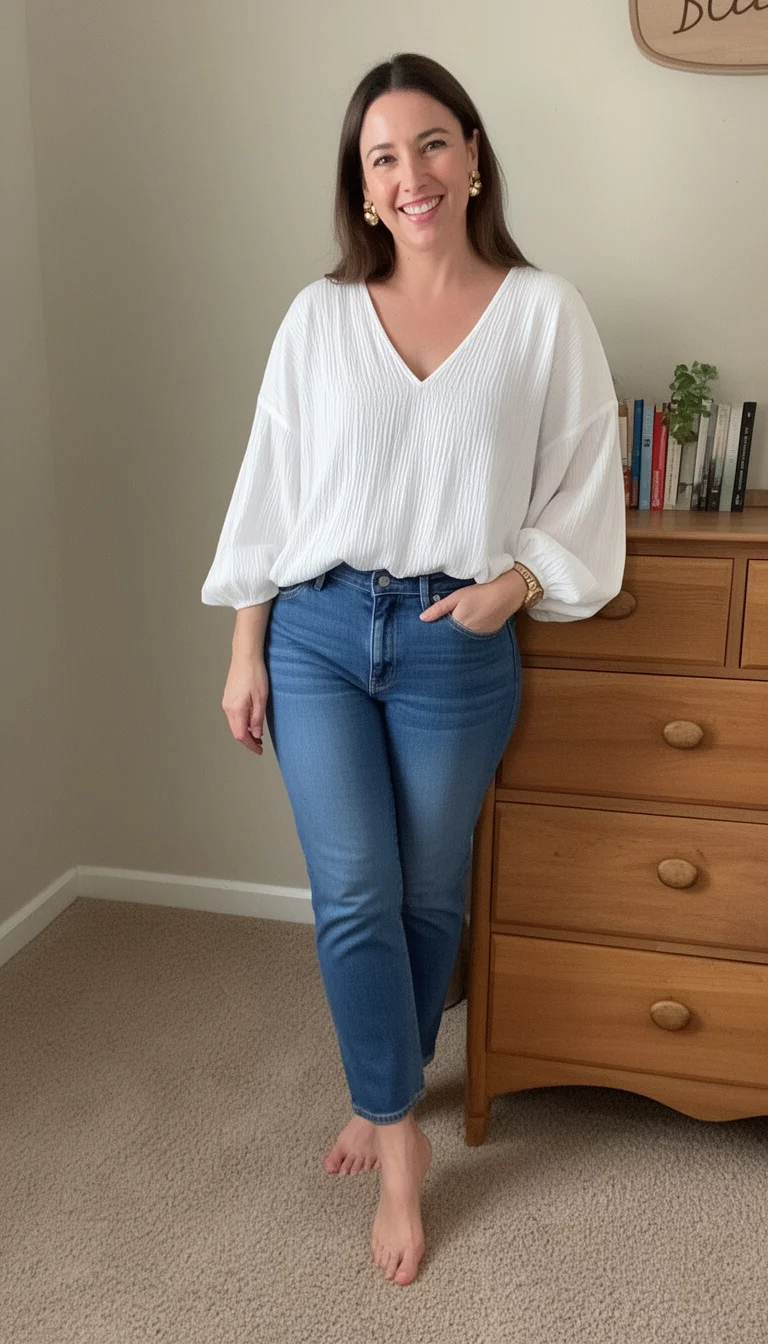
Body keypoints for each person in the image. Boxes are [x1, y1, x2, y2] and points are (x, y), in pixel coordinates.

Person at [201, 52, 626, 1287]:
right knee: (353, 892)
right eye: (382, 157)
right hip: (319, 632)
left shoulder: (544, 313)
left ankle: (384, 1081)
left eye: (432, 143)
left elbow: (583, 486)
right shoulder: (319, 317)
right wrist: (244, 649)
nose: (411, 174)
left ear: (473, 155)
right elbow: (272, 492)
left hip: (457, 638)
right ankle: (397, 1139)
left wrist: (515, 585)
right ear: (363, 187)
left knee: (429, 899)